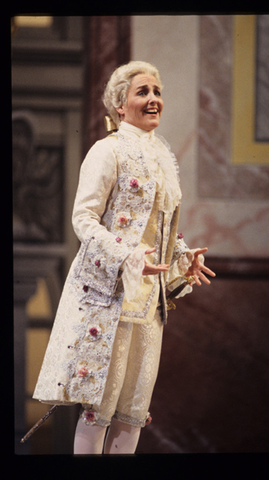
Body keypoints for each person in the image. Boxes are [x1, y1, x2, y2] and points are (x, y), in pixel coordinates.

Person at [32, 60, 215, 454]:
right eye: (142, 92)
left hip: (150, 302)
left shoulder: (164, 157)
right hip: (109, 297)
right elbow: (83, 218)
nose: (153, 100)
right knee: (98, 409)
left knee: (133, 412)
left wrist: (182, 257)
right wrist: (126, 255)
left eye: (157, 93)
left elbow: (160, 228)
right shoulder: (107, 150)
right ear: (120, 104)